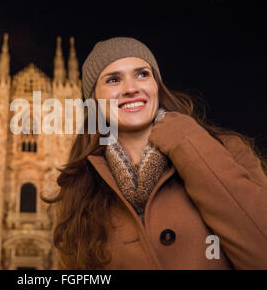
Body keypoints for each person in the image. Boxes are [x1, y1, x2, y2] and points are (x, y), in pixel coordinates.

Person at [42, 37, 267, 270]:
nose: (131, 88)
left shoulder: (226, 149)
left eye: (142, 74)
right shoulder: (82, 187)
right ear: (94, 101)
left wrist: (187, 141)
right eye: (113, 79)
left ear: (156, 85)